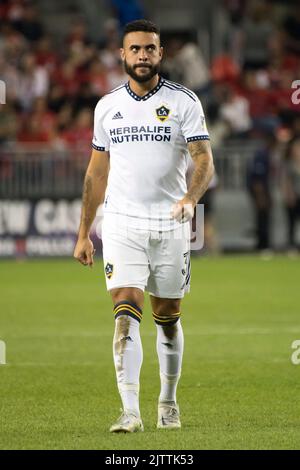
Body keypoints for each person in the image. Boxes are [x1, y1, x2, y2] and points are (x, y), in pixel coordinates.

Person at [74, 19, 214, 433]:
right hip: (121, 222)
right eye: (134, 49)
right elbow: (96, 173)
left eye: (149, 49)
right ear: (122, 54)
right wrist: (84, 231)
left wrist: (190, 198)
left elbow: (203, 158)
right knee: (125, 308)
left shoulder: (184, 102)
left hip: (171, 222)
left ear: (160, 54)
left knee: (167, 314)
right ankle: (130, 410)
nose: (141, 56)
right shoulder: (107, 106)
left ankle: (167, 402)